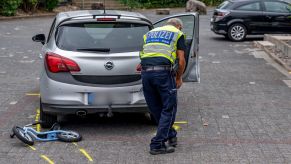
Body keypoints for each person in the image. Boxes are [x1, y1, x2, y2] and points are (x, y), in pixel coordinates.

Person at [140, 18, 186, 155]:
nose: (181, 30)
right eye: (181, 28)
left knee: (156, 107)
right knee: (169, 107)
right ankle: (157, 144)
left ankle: (171, 135)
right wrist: (178, 77)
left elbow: (142, 54)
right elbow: (181, 60)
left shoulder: (149, 34)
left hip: (145, 73)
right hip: (163, 73)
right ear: (178, 26)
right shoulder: (177, 33)